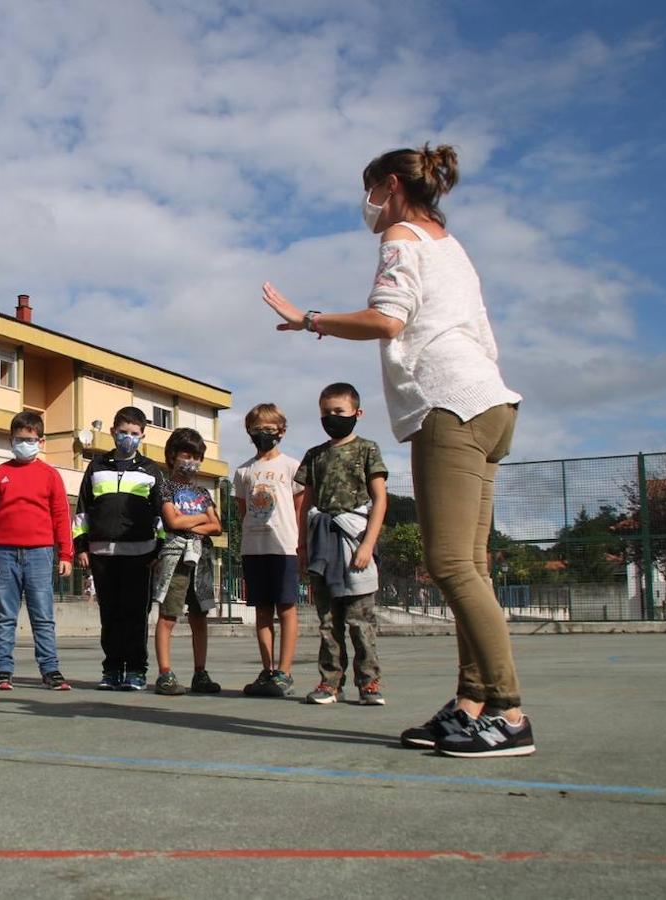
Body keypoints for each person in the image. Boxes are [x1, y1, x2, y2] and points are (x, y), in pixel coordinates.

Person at [262, 143, 533, 757]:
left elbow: (388, 319)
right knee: (474, 565)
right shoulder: (451, 246)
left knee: (452, 566)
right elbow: (481, 334)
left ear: (389, 185)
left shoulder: (402, 238)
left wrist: (310, 319)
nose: (368, 206)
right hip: (490, 401)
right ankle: (470, 704)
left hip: (449, 406)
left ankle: (509, 714)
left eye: (370, 191)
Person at [291, 384, 388, 706]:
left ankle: (369, 683)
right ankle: (330, 682)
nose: (332, 418)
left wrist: (367, 545)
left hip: (354, 539)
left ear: (357, 414)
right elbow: (307, 504)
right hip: (322, 545)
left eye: (339, 412)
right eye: (326, 413)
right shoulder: (315, 455)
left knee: (361, 622)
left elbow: (379, 499)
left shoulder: (367, 450)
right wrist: (303, 547)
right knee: (328, 622)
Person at [0, 411, 74, 690]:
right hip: (4, 554)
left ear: (41, 441)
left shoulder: (50, 475)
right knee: (5, 616)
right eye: (20, 439)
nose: (25, 444)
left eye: (31, 439)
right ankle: (3, 671)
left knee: (42, 616)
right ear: (11, 440)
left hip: (40, 554)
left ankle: (50, 669)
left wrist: (65, 554)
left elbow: (61, 515)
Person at [74, 406, 165, 692]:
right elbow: (82, 511)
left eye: (134, 434)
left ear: (143, 436)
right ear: (113, 432)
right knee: (110, 615)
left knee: (136, 615)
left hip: (141, 555)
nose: (128, 437)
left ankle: (136, 670)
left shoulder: (151, 470)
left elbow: (162, 514)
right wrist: (81, 547)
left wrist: (158, 550)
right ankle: (112, 669)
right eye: (123, 432)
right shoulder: (97, 466)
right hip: (102, 555)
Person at [233, 403, 304, 698]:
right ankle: (268, 669)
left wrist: (299, 543)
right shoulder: (243, 471)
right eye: (257, 429)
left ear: (282, 431)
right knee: (262, 610)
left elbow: (300, 508)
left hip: (284, 547)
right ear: (249, 432)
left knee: (286, 608)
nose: (263, 434)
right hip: (254, 547)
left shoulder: (292, 466)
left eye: (269, 429)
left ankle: (285, 671)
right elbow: (242, 510)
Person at [149, 428, 223, 695]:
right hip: (175, 557)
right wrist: (201, 520)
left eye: (197, 456)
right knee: (168, 615)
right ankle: (165, 673)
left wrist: (191, 522)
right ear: (172, 456)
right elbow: (172, 522)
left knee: (200, 616)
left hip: (201, 558)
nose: (192, 461)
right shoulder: (164, 487)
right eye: (187, 454)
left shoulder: (203, 492)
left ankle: (200, 673)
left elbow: (217, 526)